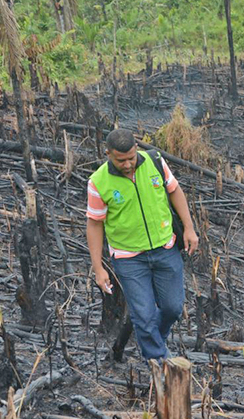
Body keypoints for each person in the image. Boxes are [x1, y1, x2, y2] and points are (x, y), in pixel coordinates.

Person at [85, 129, 199, 360]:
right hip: (129, 259)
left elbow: (175, 191)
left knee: (172, 308)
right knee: (143, 315)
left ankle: (153, 339)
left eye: (131, 158)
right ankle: (160, 363)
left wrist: (189, 227)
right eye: (120, 160)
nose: (127, 164)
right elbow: (95, 224)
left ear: (136, 148)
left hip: (165, 249)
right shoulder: (98, 182)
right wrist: (98, 267)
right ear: (108, 154)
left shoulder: (154, 161)